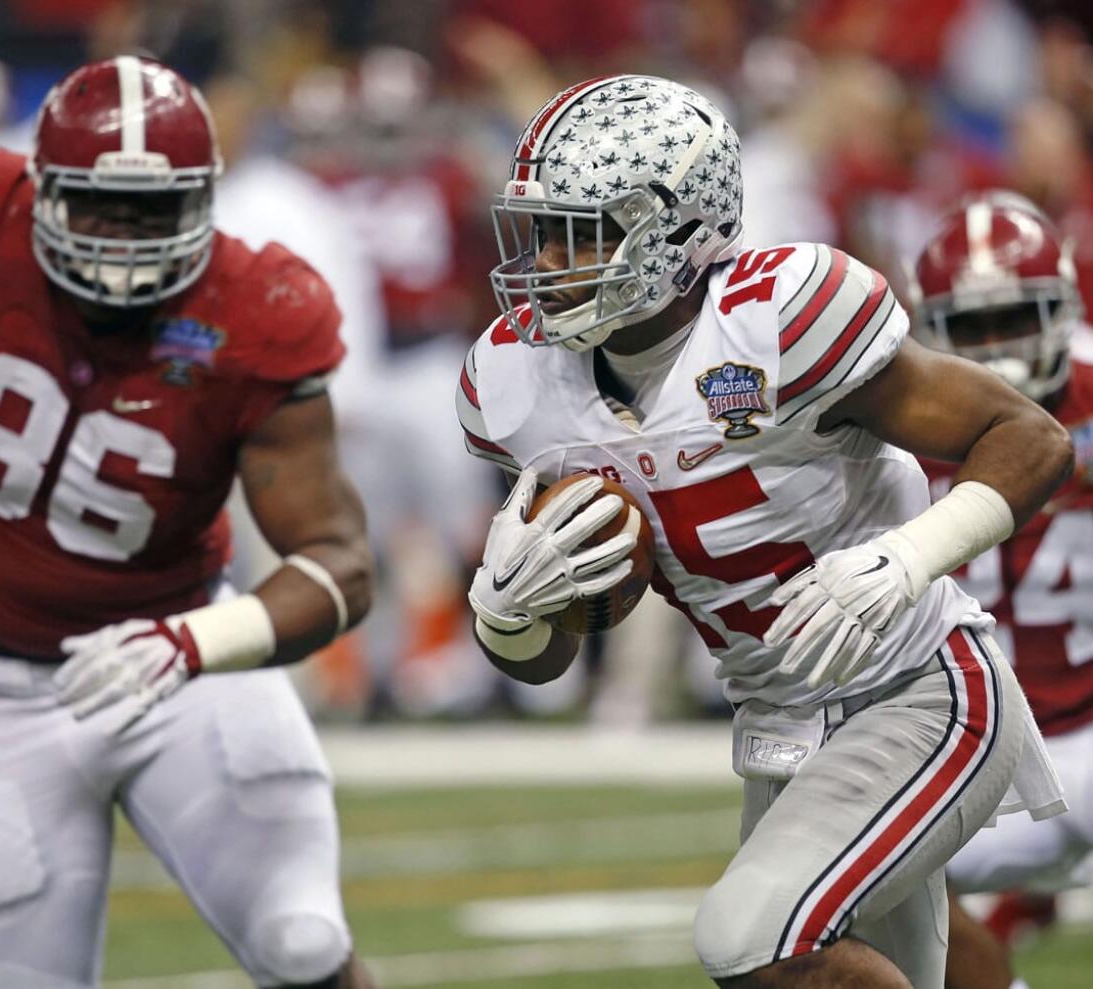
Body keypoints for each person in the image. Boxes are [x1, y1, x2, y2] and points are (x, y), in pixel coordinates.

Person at [456, 74, 1071, 989]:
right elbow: (550, 656)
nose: (544, 261)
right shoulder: (515, 384)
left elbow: (1031, 436)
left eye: (575, 231)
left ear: (671, 231)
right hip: (778, 724)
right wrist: (509, 619)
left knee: (756, 938)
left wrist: (907, 557)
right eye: (541, 230)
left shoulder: (779, 316)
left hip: (920, 687)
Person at [0, 56, 375, 989]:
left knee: (300, 942)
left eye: (155, 209)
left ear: (207, 200)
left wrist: (193, 641)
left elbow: (341, 563)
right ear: (42, 187)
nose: (126, 240)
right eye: (100, 206)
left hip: (178, 659)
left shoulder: (258, 305)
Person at [907, 191, 1093, 989]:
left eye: (1017, 318)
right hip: (984, 746)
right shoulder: (893, 415)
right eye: (973, 327)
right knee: (864, 878)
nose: (998, 348)